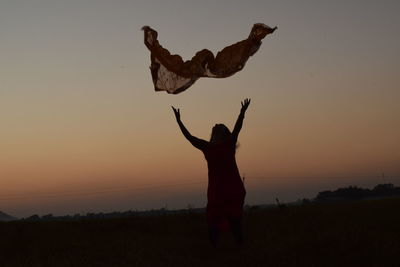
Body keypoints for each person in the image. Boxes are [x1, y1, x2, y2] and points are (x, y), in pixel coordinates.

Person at [172, 98, 251, 245]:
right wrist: (179, 121)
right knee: (213, 220)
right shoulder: (207, 147)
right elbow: (189, 137)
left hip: (232, 189)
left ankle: (239, 248)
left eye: (219, 126)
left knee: (234, 221)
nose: (215, 125)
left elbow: (238, 128)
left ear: (223, 133)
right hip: (217, 192)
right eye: (215, 126)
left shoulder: (229, 144)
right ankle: (215, 249)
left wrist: (242, 112)